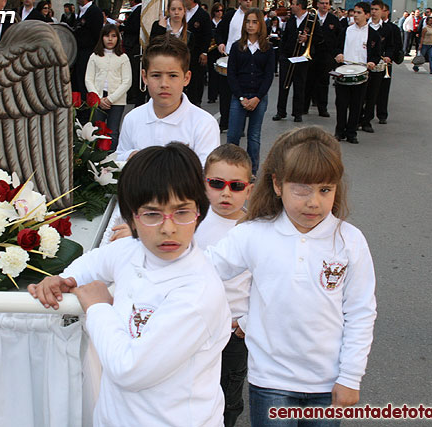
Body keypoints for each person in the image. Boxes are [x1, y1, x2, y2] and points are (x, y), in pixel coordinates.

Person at [28, 143, 231, 426]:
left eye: (182, 212)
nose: (168, 227)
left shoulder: (198, 293)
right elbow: (95, 262)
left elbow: (129, 369)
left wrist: (98, 308)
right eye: (151, 214)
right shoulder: (133, 250)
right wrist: (64, 279)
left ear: (200, 211)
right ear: (131, 216)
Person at [205, 126, 377, 426]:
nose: (314, 201)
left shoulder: (350, 241)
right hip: (271, 382)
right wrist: (143, 242)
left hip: (328, 383)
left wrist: (351, 376)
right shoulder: (253, 233)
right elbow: (203, 270)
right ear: (277, 184)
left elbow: (361, 312)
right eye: (302, 188)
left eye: (325, 189)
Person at [196, 144, 253, 426]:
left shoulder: (255, 230)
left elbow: (266, 285)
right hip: (194, 326)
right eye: (217, 183)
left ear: (249, 189)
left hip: (233, 333)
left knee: (229, 397)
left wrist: (249, 322)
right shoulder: (192, 220)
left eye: (236, 185)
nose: (226, 192)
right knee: (193, 392)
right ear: (203, 182)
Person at [116, 34, 219, 164]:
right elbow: (119, 160)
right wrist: (131, 156)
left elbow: (206, 174)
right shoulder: (132, 119)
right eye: (156, 75)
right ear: (144, 77)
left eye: (173, 75)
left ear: (186, 78)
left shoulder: (204, 124)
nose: (164, 83)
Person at [227, 8, 274, 176]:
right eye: (248, 21)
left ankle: (251, 171)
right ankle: (230, 168)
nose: (251, 25)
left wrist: (257, 98)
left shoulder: (267, 49)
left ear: (261, 24)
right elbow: (231, 74)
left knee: (254, 137)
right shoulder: (237, 47)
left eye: (255, 22)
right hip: (239, 96)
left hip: (258, 98)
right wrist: (240, 97)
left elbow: (268, 76)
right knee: (233, 135)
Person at [333, 1, 381, 144]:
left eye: (359, 13)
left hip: (361, 73)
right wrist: (338, 55)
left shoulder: (373, 35)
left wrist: (372, 62)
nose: (355, 15)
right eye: (354, 12)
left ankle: (351, 133)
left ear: (367, 15)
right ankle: (339, 131)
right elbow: (337, 47)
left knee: (356, 105)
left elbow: (376, 54)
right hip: (344, 71)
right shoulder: (346, 30)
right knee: (341, 104)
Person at [85, 24, 132, 149]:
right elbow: (89, 79)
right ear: (102, 38)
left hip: (117, 101)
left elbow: (127, 81)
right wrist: (98, 99)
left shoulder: (123, 58)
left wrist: (110, 99)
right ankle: (96, 160)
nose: (110, 39)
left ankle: (111, 158)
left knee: (113, 131)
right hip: (98, 100)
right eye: (107, 36)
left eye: (113, 36)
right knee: (97, 131)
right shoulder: (94, 57)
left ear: (118, 38)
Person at [272, 0, 319, 123]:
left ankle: (297, 113)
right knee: (284, 85)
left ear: (299, 6)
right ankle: (280, 111)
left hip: (302, 58)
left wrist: (307, 38)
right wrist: (282, 55)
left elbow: (319, 37)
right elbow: (285, 37)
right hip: (288, 56)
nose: (291, 6)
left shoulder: (312, 19)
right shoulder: (291, 20)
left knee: (299, 86)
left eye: (293, 4)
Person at [215, 0, 253, 132]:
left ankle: (239, 125)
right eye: (245, 0)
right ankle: (224, 122)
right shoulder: (230, 15)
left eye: (250, 0)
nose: (248, 2)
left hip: (246, 58)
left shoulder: (253, 17)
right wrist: (220, 43)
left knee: (241, 91)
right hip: (230, 56)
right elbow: (219, 32)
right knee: (225, 91)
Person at [358, 0, 392, 134]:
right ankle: (358, 118)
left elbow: (391, 46)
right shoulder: (365, 27)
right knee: (361, 93)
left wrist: (388, 56)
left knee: (373, 94)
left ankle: (367, 120)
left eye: (376, 9)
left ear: (383, 11)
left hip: (378, 66)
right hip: (363, 64)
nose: (373, 12)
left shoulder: (388, 28)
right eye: (372, 9)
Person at [303, 0, 341, 118]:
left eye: (327, 3)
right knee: (308, 81)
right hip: (312, 53)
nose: (325, 5)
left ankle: (322, 108)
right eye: (322, 3)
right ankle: (304, 107)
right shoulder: (311, 17)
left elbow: (338, 37)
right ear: (317, 4)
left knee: (323, 82)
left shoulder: (334, 20)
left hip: (326, 55)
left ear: (329, 5)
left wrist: (335, 54)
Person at [376, 2, 402, 125]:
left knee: (383, 90)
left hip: (386, 63)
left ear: (386, 12)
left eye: (383, 10)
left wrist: (390, 56)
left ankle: (382, 114)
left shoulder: (393, 28)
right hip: (372, 62)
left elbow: (397, 45)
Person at [184, 0, 213, 107]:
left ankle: (196, 102)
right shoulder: (182, 12)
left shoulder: (203, 15)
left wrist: (204, 52)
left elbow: (207, 35)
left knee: (196, 79)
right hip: (183, 53)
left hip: (197, 53)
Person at [71, 0, 103, 93]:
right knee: (78, 82)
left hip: (88, 53)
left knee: (85, 83)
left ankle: (87, 106)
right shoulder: (81, 11)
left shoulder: (95, 11)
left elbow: (96, 34)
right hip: (79, 53)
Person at [121, 0, 145, 106]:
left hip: (134, 45)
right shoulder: (136, 11)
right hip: (131, 45)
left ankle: (134, 95)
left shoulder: (139, 10)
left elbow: (134, 27)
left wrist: (122, 27)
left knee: (135, 70)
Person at [207, 2, 224, 104]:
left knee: (221, 73)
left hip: (221, 51)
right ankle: (212, 96)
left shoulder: (224, 23)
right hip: (211, 51)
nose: (219, 13)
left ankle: (220, 93)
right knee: (212, 74)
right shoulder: (210, 23)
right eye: (217, 11)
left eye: (221, 11)